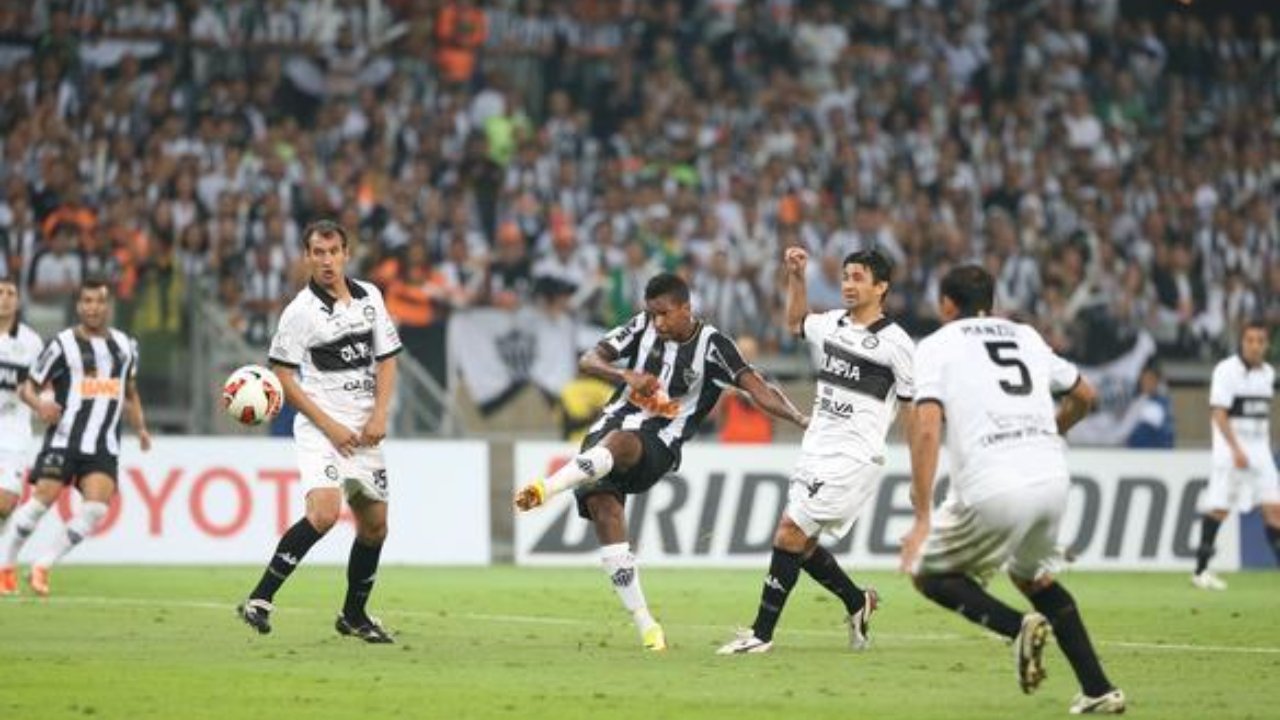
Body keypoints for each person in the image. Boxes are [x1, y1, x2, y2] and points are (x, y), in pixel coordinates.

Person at [514, 272, 809, 651]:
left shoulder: (714, 346)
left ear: (686, 308)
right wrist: (624, 374)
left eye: (665, 314)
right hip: (608, 428)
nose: (657, 322)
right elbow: (589, 358)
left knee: (619, 444)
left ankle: (547, 487)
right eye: (652, 314)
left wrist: (801, 419)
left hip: (659, 443)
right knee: (605, 512)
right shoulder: (641, 326)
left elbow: (758, 389)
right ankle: (647, 626)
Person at [901, 265, 1125, 715]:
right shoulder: (1026, 336)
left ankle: (1016, 628)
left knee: (928, 572)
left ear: (947, 304)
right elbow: (1087, 395)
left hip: (993, 482)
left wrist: (922, 516)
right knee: (1032, 576)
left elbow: (926, 428)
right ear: (993, 301)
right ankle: (1099, 689)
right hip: (1052, 478)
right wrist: (1053, 430)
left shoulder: (936, 345)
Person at [717, 248, 917, 654]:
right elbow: (794, 323)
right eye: (845, 276)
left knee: (789, 532)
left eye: (858, 277)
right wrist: (797, 276)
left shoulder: (896, 344)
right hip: (816, 448)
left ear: (881, 287)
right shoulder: (832, 325)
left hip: (853, 457)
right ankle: (857, 600)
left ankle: (761, 635)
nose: (848, 284)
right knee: (803, 544)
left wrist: (919, 471)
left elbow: (913, 410)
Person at [237, 220, 402, 644]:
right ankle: (260, 600)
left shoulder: (371, 297)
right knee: (325, 513)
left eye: (333, 252)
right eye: (318, 253)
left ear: (346, 253)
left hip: (364, 432)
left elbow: (387, 360)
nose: (326, 260)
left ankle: (354, 615)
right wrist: (329, 426)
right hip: (320, 428)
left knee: (375, 528)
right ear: (307, 257)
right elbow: (284, 376)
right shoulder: (300, 312)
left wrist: (380, 415)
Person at [3, 278, 152, 596]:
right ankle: (6, 565)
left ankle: (42, 565)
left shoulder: (126, 347)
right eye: (87, 301)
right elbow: (27, 386)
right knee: (42, 500)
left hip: (103, 444)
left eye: (99, 301)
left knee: (96, 507)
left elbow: (131, 392)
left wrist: (140, 428)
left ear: (108, 306)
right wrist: (39, 404)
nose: (93, 307)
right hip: (65, 438)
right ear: (78, 305)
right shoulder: (61, 344)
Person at [1193, 321, 1277, 590]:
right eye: (1250, 340)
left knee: (1274, 510)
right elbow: (1218, 413)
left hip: (1260, 452)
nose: (1255, 346)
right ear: (1242, 342)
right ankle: (1201, 571)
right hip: (1231, 450)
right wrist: (1236, 449)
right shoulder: (1226, 371)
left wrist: (1261, 452)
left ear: (1266, 344)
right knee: (1219, 508)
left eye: (1260, 341)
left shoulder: (1268, 374)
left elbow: (1259, 415)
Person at [0, 276, 44, 594]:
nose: (4, 298)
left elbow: (36, 386)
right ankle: (4, 570)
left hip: (14, 429)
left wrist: (39, 403)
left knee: (6, 503)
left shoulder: (30, 342)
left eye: (10, 293)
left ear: (18, 300)